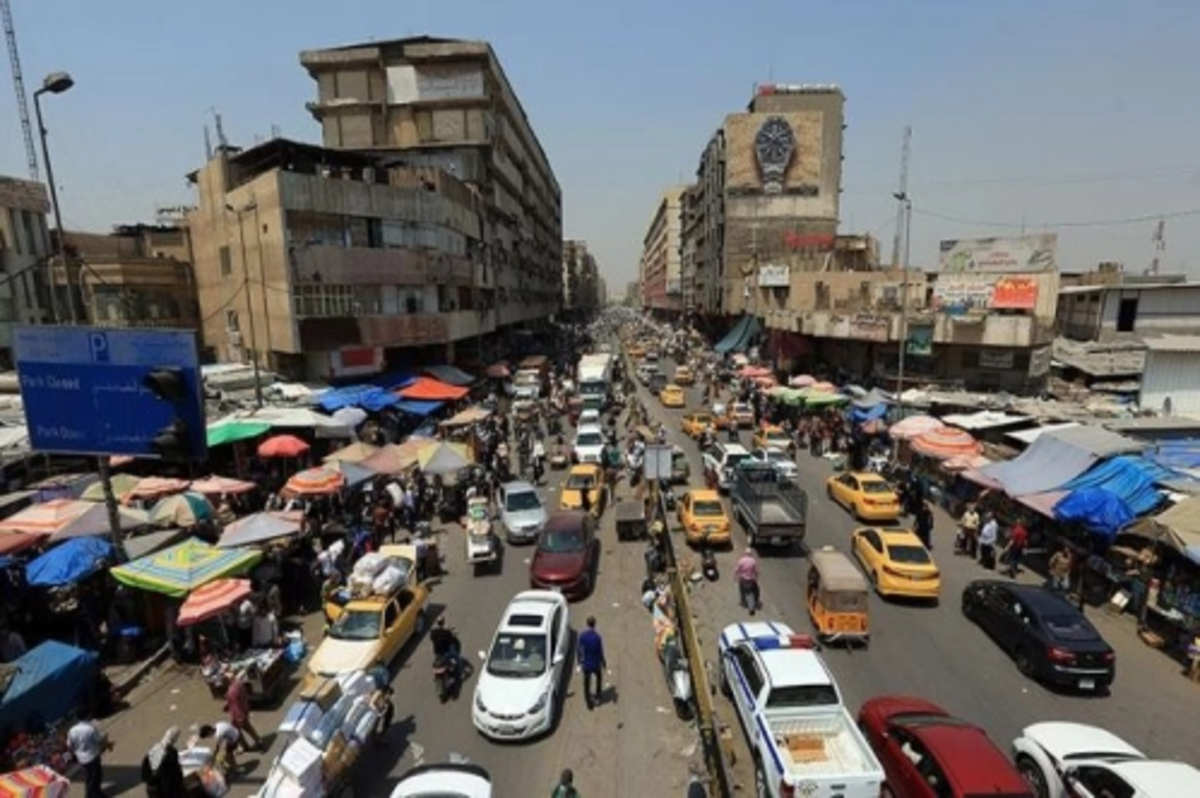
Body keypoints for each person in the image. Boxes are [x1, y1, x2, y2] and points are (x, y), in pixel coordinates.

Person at [67, 716, 111, 798]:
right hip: (93, 757)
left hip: (82, 759)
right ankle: (93, 795)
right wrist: (105, 738)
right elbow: (99, 740)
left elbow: (70, 745)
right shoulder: (90, 728)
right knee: (96, 777)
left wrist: (74, 755)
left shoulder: (72, 730)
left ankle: (94, 793)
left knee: (89, 776)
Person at [141, 726, 185, 798]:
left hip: (152, 789)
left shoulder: (154, 749)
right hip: (164, 791)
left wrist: (150, 781)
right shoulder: (171, 754)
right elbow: (171, 776)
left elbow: (145, 770)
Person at [224, 673, 263, 752]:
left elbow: (235, 706)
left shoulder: (231, 692)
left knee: (236, 732)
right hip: (245, 709)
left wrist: (239, 718)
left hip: (238, 715)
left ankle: (245, 746)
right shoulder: (239, 684)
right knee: (248, 727)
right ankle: (259, 741)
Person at [577, 616, 606, 710]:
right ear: (595, 624)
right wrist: (603, 662)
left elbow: (579, 650)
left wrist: (579, 661)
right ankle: (598, 696)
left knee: (586, 684)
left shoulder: (583, 636)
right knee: (599, 678)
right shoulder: (597, 637)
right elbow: (600, 651)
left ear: (587, 624)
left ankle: (589, 703)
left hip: (586, 664)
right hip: (595, 663)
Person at [734, 548, 761, 615]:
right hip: (751, 580)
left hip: (743, 579)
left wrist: (735, 576)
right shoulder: (753, 561)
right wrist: (756, 577)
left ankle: (743, 602)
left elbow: (737, 569)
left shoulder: (741, 560)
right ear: (750, 554)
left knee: (742, 591)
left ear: (745, 553)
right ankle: (752, 605)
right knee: (751, 592)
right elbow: (756, 571)